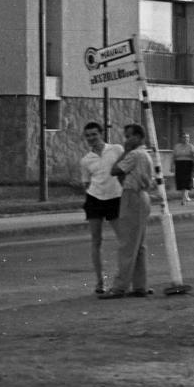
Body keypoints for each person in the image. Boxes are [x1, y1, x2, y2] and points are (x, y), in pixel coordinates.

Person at [100, 123, 154, 299]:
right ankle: (140, 285)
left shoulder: (134, 154)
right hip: (143, 196)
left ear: (138, 137)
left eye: (130, 136)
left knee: (128, 244)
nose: (127, 140)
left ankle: (119, 287)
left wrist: (124, 151)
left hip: (132, 196)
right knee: (139, 244)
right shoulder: (146, 154)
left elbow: (115, 170)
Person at [77, 122, 123, 296]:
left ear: (101, 134)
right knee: (96, 240)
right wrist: (91, 193)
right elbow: (86, 182)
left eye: (94, 134)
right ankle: (100, 281)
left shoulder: (116, 150)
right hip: (95, 199)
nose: (91, 138)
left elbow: (124, 169)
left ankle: (123, 279)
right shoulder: (86, 160)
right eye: (88, 135)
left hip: (115, 198)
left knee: (123, 239)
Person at [171, 132, 194, 205]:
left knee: (187, 181)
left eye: (187, 137)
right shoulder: (177, 147)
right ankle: (185, 196)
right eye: (184, 137)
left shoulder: (191, 147)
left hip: (188, 165)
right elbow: (173, 157)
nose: (185, 139)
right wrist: (172, 165)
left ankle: (183, 199)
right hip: (179, 164)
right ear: (181, 138)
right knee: (180, 181)